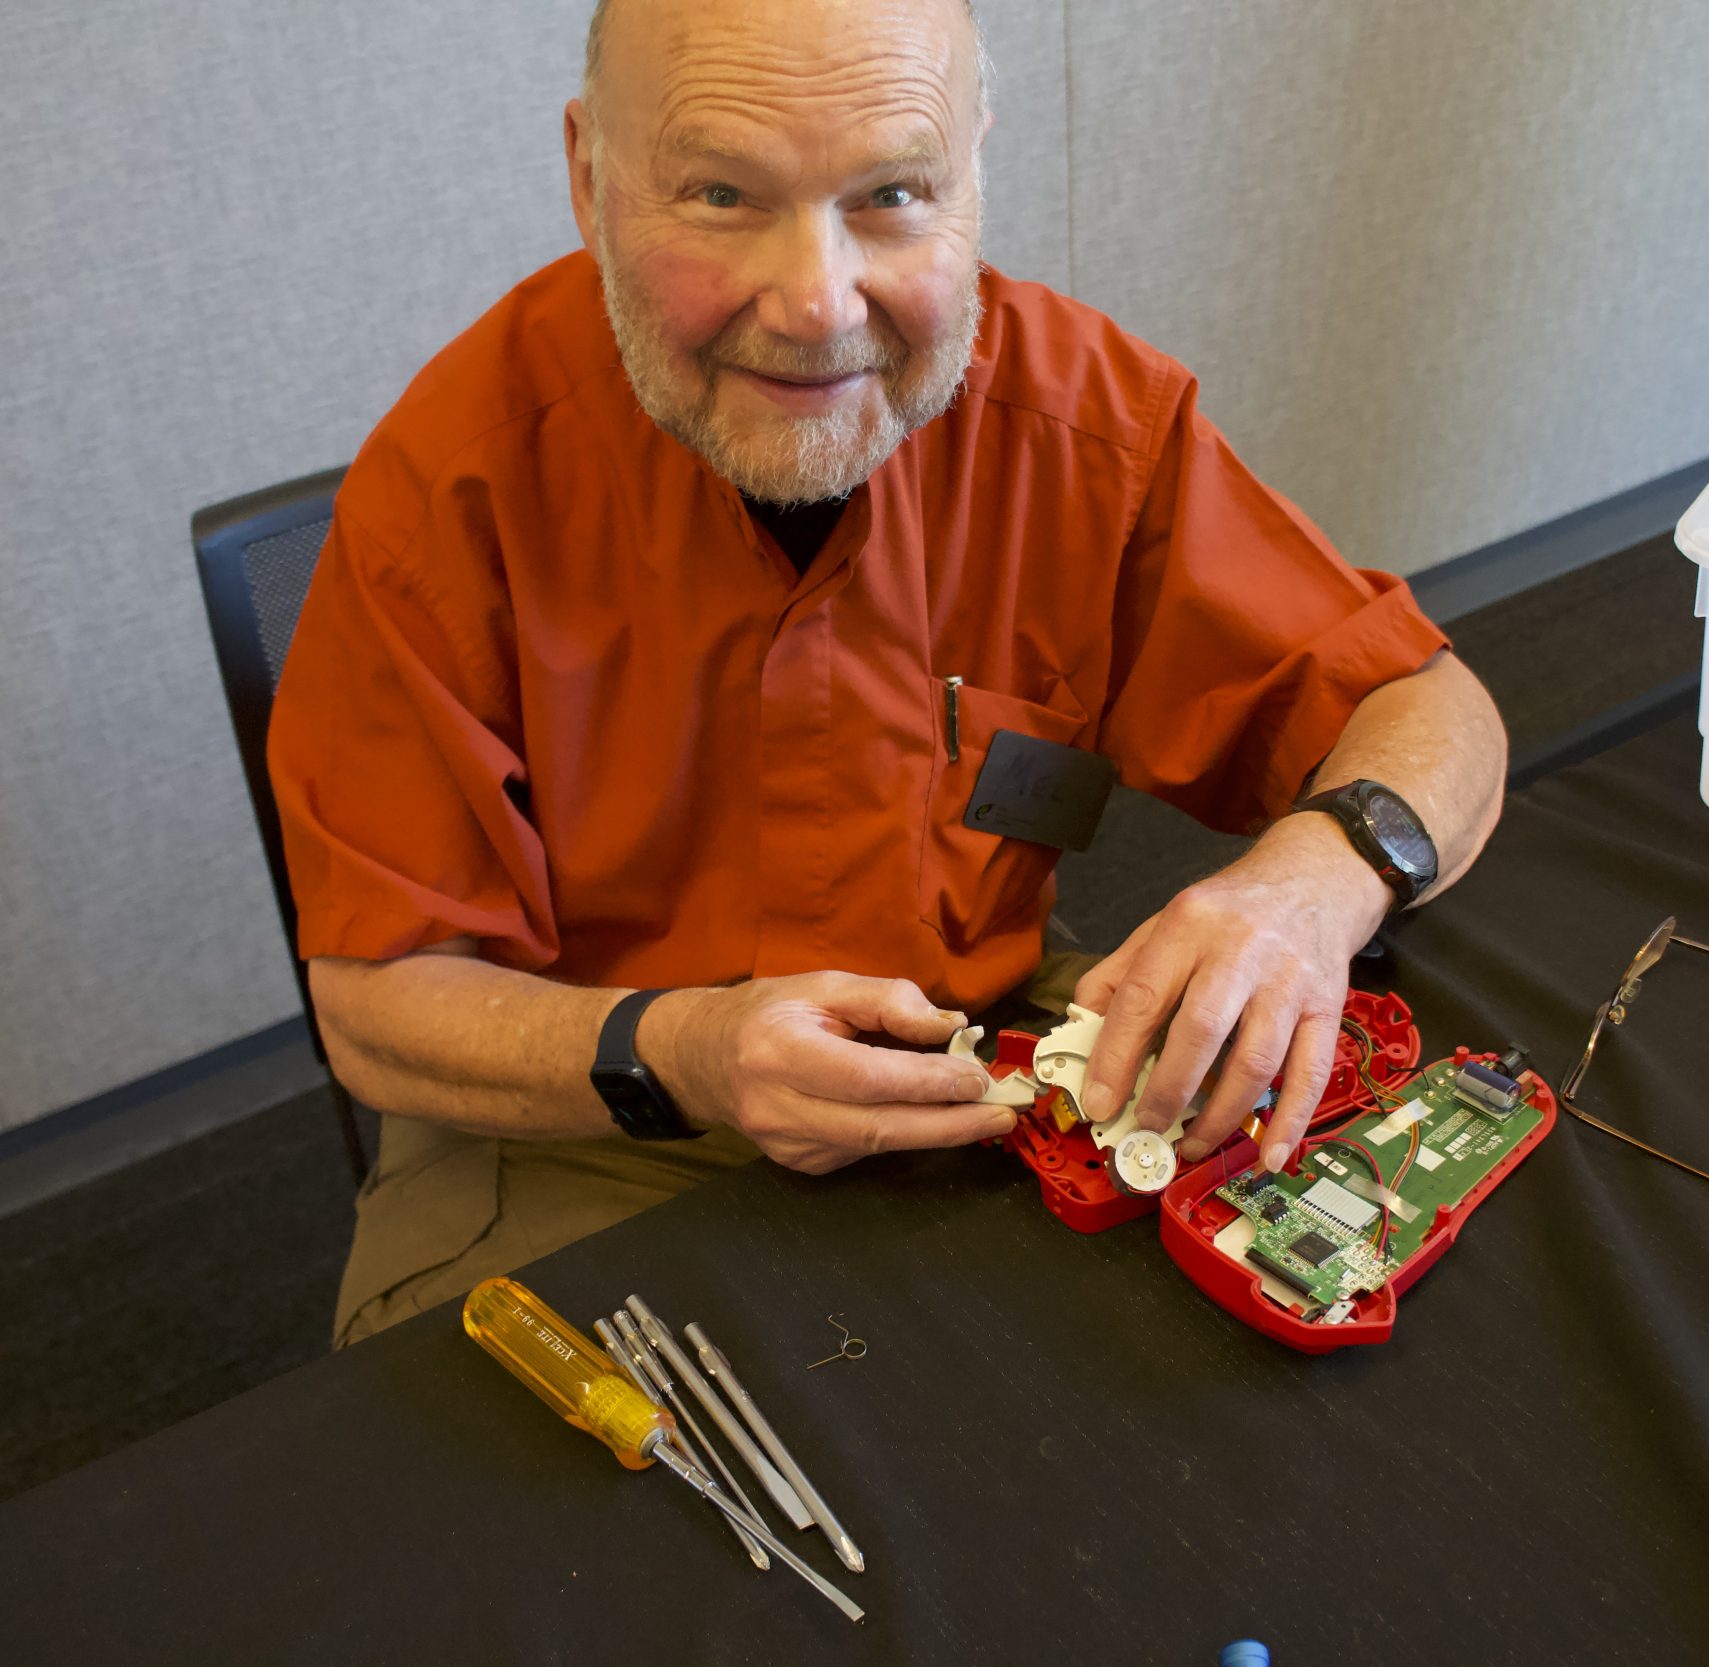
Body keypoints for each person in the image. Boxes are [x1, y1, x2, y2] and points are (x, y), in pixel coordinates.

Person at [270, 0, 1507, 1346]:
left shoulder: (1087, 425)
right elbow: (376, 1008)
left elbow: (1427, 708)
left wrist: (1311, 885)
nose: (817, 305)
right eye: (722, 194)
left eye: (892, 195)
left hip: (975, 1062)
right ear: (588, 176)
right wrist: (687, 1052)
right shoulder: (449, 483)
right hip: (594, 1107)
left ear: (971, 174)